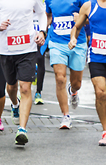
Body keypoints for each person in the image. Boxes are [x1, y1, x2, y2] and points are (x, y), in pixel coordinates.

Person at [0, 0, 47, 146]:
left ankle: (22, 130)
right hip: (6, 50)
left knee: (25, 88)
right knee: (11, 86)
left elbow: (42, 14)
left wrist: (42, 31)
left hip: (27, 48)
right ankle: (15, 104)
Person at [46, 0, 88, 129]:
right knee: (60, 78)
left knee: (77, 84)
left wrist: (81, 19)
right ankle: (66, 116)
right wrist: (41, 30)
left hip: (78, 43)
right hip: (56, 42)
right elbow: (48, 16)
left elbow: (91, 17)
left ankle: (73, 91)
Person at [70, 0, 106, 145]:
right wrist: (73, 38)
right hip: (96, 56)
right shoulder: (89, 6)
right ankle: (105, 131)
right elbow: (76, 27)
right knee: (101, 92)